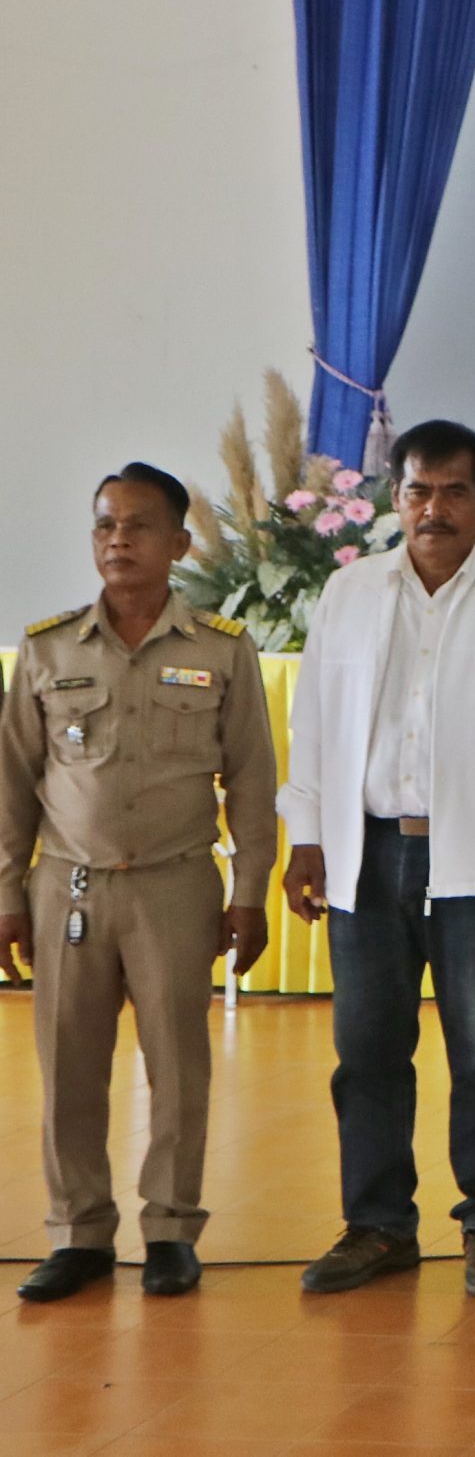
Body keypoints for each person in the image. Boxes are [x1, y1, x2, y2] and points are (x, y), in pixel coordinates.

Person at [279, 420, 475, 1298]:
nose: (435, 509)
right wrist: (307, 835)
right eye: (419, 490)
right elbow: (312, 725)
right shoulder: (352, 593)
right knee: (368, 1050)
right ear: (396, 498)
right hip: (366, 856)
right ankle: (378, 1225)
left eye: (455, 491)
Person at [0, 464, 277, 1301]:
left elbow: (252, 781)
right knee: (70, 1067)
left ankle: (168, 1229)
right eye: (105, 525)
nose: (118, 540)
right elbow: (13, 780)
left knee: (179, 1068)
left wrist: (250, 893)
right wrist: (8, 892)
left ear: (179, 544)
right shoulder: (48, 649)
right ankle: (78, 1233)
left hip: (174, 884)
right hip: (69, 890)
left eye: (139, 526)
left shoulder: (221, 649)